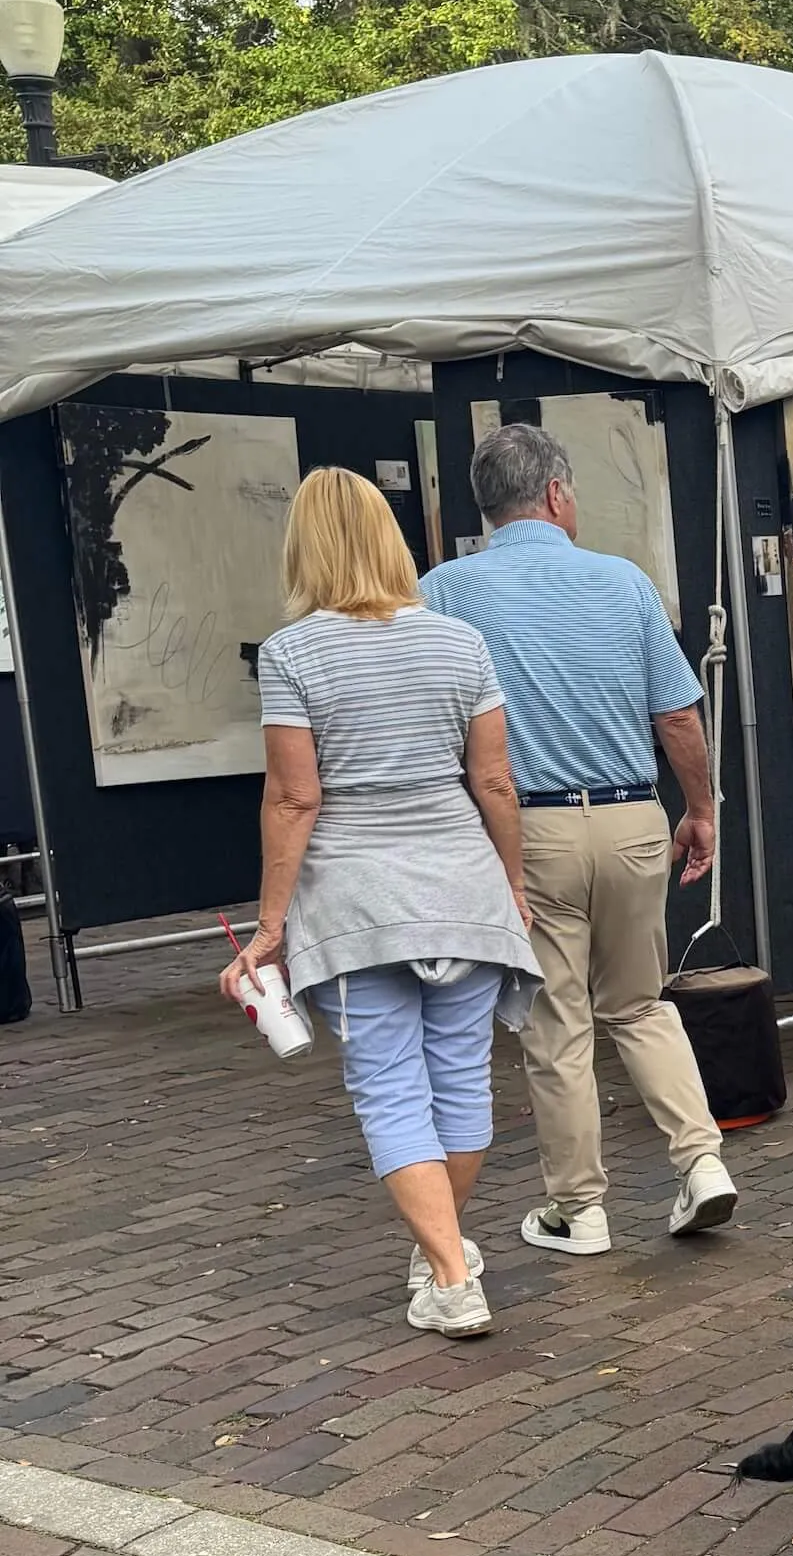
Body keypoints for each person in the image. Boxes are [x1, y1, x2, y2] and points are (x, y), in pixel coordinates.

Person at [220, 467, 540, 1338]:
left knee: (392, 1093)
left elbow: (294, 799)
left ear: (304, 548)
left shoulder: (293, 652)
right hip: (464, 890)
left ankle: (449, 1271)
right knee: (462, 1086)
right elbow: (496, 780)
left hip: (357, 905)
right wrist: (511, 886)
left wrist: (272, 926)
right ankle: (444, 1257)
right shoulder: (460, 641)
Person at [422, 422, 739, 1255]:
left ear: (485, 504)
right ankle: (702, 1162)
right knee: (640, 1002)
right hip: (635, 818)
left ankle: (578, 1208)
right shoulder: (624, 581)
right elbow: (676, 713)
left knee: (556, 1021)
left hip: (529, 829)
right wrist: (699, 807)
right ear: (558, 494)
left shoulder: (445, 590)